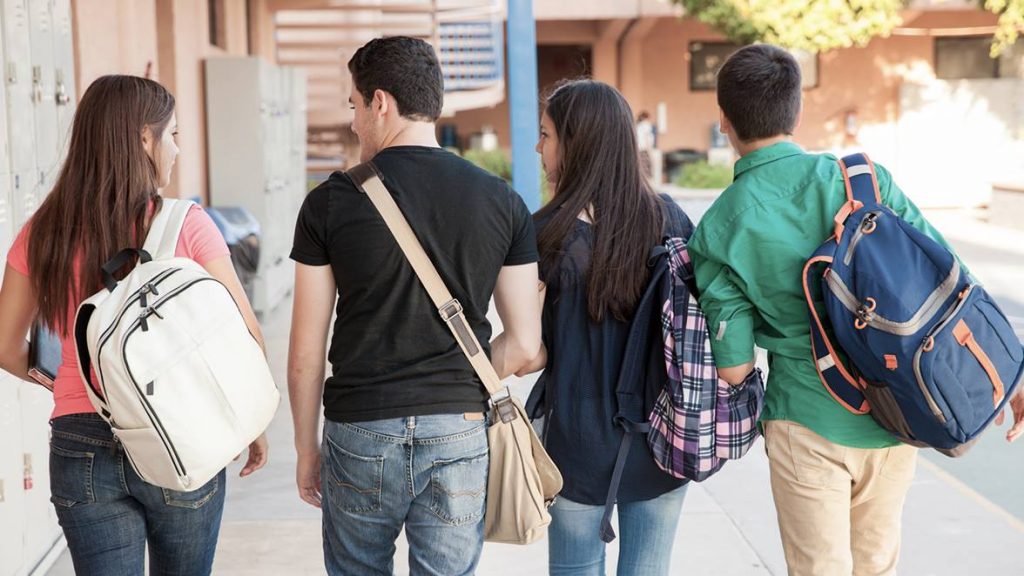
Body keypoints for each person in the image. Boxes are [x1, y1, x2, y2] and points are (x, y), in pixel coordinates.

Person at [686, 44, 1024, 576]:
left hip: (806, 419)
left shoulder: (718, 230)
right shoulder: (863, 180)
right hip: (897, 413)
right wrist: (1008, 371)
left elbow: (735, 368)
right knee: (876, 566)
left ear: (723, 119)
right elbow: (951, 276)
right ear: (796, 113)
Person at [287, 36, 542, 576]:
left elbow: (306, 353)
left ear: (380, 102)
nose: (354, 122)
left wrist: (306, 449)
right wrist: (451, 383)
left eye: (354, 106)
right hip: (458, 429)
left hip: (360, 428)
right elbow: (524, 343)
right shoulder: (503, 202)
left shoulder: (329, 203)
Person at [0, 75, 268, 575]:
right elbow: (246, 336)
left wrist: (70, 387)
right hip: (179, 430)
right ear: (145, 138)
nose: (177, 150)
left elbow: (5, 345)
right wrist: (245, 420)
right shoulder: (186, 223)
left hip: (80, 440)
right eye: (173, 136)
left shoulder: (42, 231)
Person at [525, 79, 693, 576]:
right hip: (664, 438)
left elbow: (529, 352)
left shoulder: (542, 233)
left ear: (575, 144)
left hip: (573, 447)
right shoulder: (672, 219)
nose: (539, 147)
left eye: (546, 135)